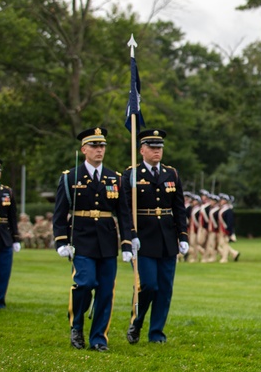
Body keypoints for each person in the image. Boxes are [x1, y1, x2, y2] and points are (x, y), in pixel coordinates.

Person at [52, 127, 136, 350]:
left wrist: (127, 242)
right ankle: (77, 326)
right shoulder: (70, 177)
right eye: (94, 146)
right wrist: (61, 241)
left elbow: (124, 214)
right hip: (81, 240)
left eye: (102, 146)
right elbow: (59, 213)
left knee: (106, 291)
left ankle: (98, 338)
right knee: (85, 283)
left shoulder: (114, 178)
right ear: (84, 149)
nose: (99, 150)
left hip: (107, 240)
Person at [119, 129, 188, 345]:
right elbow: (125, 209)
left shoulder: (171, 174)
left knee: (164, 289)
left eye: (159, 148)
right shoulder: (130, 175)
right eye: (152, 147)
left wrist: (183, 236)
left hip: (167, 239)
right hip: (143, 239)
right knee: (147, 285)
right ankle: (137, 322)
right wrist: (130, 236)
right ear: (141, 150)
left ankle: (156, 332)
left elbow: (179, 208)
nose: (157, 151)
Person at [0, 158, 21, 308]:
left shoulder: (7, 192)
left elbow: (12, 216)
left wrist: (16, 238)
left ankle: (0, 300)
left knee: (3, 271)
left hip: (4, 236)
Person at [216, 194, 240, 263]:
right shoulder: (223, 209)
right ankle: (234, 253)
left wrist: (227, 231)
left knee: (225, 244)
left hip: (225, 230)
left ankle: (225, 258)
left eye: (222, 200)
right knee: (222, 244)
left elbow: (230, 222)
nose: (221, 201)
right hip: (222, 229)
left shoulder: (228, 210)